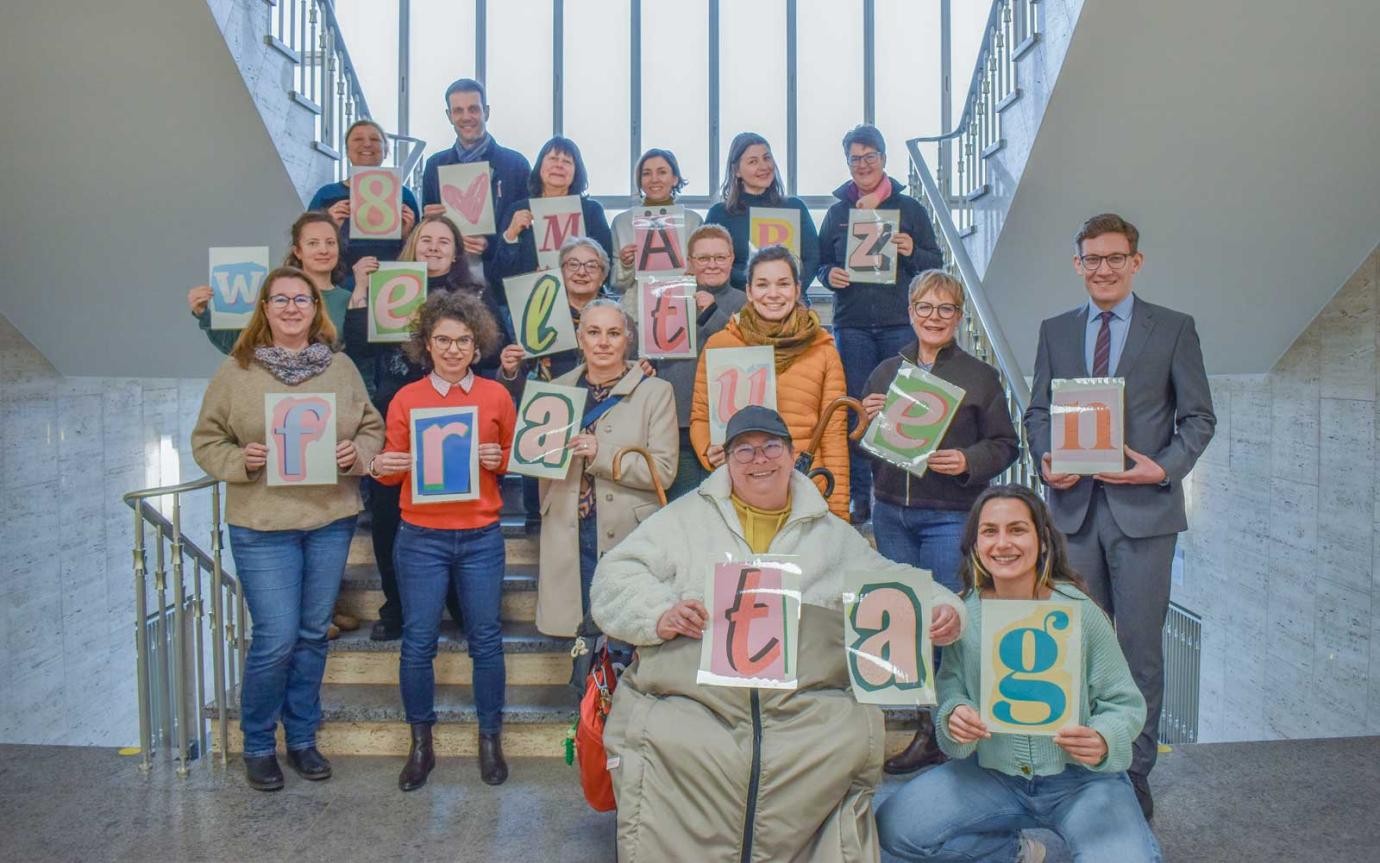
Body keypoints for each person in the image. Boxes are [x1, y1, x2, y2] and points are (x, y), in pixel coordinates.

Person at [591, 405, 967, 861]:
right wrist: (659, 613)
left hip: (802, 708)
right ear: (725, 462)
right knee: (667, 737)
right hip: (696, 698)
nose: (759, 460)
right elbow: (616, 574)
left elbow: (889, 578)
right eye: (743, 450)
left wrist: (943, 609)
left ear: (792, 456)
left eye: (771, 447)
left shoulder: (831, 535)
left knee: (844, 736)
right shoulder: (685, 519)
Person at [1023, 213, 1215, 820]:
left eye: (1114, 258)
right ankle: (1079, 763)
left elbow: (1198, 419)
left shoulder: (1174, 329)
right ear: (1077, 265)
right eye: (1091, 259)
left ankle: (1132, 772)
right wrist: (1045, 457)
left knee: (1137, 652)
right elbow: (1036, 412)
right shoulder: (1055, 330)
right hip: (1073, 514)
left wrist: (1161, 468)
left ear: (1135, 262)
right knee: (1075, 645)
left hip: (1145, 515)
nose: (1102, 269)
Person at [876, 485, 1161, 862]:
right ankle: (1010, 851)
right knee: (892, 829)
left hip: (1081, 779)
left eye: (1017, 529)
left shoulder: (1081, 612)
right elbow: (950, 693)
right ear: (975, 545)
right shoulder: (964, 615)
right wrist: (954, 717)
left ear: (1043, 541)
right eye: (989, 531)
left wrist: (1105, 738)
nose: (1003, 543)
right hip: (992, 773)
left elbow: (1123, 701)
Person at [191, 266, 384, 791]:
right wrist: (240, 459)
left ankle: (302, 738)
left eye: (302, 299)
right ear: (265, 308)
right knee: (276, 638)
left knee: (309, 635)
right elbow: (206, 440)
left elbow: (372, 426)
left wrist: (358, 452)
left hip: (328, 519)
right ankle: (257, 743)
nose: (293, 308)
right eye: (281, 300)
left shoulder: (340, 367)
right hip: (262, 522)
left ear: (315, 308)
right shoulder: (237, 369)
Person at [862, 269, 1021, 774]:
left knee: (946, 623)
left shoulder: (979, 377)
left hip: (949, 516)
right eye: (925, 308)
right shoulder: (886, 371)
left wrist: (968, 461)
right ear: (910, 313)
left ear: (959, 316)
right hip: (890, 511)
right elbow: (867, 446)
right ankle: (924, 723)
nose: (935, 318)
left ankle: (942, 731)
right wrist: (864, 424)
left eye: (946, 309)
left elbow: (1005, 445)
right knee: (905, 620)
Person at [367, 290, 517, 790]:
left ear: (478, 347)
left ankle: (490, 739)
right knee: (417, 644)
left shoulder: (496, 395)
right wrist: (382, 468)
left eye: (464, 341)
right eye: (443, 340)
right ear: (426, 345)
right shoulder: (406, 399)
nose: (453, 349)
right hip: (421, 538)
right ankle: (421, 745)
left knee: (487, 641)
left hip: (480, 536)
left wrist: (500, 461)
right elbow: (390, 469)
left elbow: (514, 459)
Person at [345, 214, 504, 641]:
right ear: (413, 244)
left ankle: (456, 599)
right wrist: (361, 289)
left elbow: (490, 353)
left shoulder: (475, 294)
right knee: (387, 514)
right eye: (426, 239)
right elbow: (358, 343)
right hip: (397, 411)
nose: (434, 247)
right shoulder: (388, 286)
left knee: (454, 508)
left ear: (457, 251)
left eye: (444, 241)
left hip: (456, 417)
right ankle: (396, 604)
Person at [817, 124, 944, 525]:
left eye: (870, 157)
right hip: (852, 325)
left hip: (898, 323)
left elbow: (934, 263)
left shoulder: (910, 210)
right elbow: (820, 263)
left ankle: (900, 490)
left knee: (903, 408)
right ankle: (860, 497)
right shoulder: (838, 213)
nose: (863, 165)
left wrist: (911, 251)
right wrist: (829, 275)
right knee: (858, 411)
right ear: (847, 163)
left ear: (884, 159)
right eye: (855, 159)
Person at [529, 299, 677, 637]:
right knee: (580, 635)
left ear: (628, 339)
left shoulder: (655, 392)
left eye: (613, 333)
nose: (603, 342)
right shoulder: (553, 391)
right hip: (570, 529)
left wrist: (602, 452)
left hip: (628, 530)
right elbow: (538, 465)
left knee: (626, 631)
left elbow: (664, 470)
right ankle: (584, 691)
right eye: (593, 332)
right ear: (580, 338)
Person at [689, 245, 850, 519]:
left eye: (783, 284)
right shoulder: (721, 345)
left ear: (797, 290)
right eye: (763, 284)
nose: (773, 294)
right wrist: (708, 451)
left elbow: (834, 437)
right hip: (739, 491)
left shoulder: (823, 350)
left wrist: (838, 513)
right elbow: (701, 417)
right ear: (749, 291)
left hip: (807, 490)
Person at [499, 237, 614, 532]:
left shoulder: (618, 314)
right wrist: (510, 370)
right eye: (573, 264)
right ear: (560, 271)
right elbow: (515, 383)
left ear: (604, 273)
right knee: (542, 519)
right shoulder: (536, 311)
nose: (582, 271)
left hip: (604, 418)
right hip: (547, 421)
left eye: (591, 265)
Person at [645, 224, 747, 501]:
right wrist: (646, 363)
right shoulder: (666, 298)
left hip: (729, 423)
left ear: (732, 259)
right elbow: (651, 351)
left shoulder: (746, 302)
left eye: (720, 257)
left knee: (727, 505)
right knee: (682, 505)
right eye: (703, 258)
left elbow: (747, 350)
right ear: (690, 262)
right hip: (677, 421)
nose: (712, 265)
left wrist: (712, 310)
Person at [188, 211, 353, 358]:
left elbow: (358, 362)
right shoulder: (272, 295)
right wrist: (204, 314)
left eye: (330, 242)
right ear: (298, 251)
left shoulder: (349, 301)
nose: (323, 250)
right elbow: (237, 345)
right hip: (275, 390)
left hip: (328, 390)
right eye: (313, 243)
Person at [420, 78, 531, 289]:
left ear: (486, 112)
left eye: (473, 109)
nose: (466, 117)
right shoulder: (435, 165)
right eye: (458, 110)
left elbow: (526, 231)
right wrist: (428, 220)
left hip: (502, 284)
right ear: (449, 116)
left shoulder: (516, 165)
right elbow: (426, 231)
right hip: (448, 281)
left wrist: (491, 246)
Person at [494, 136, 614, 294]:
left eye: (567, 162)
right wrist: (510, 235)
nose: (559, 165)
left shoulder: (591, 211)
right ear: (540, 166)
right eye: (553, 158)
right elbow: (498, 275)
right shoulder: (518, 210)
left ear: (576, 172)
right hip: (530, 300)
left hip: (582, 300)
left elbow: (606, 268)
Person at [308, 118, 420, 286]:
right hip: (339, 285)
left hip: (391, 284)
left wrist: (407, 235)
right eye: (358, 139)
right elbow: (305, 244)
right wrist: (329, 228)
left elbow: (419, 252)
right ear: (347, 150)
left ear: (385, 150)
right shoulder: (326, 195)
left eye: (375, 139)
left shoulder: (404, 196)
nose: (367, 144)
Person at [705, 132, 819, 290]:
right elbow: (713, 265)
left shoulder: (795, 207)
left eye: (767, 158)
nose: (764, 166)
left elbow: (812, 259)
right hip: (739, 301)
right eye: (753, 161)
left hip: (792, 300)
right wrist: (756, 289)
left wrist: (789, 291)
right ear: (736, 170)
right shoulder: (719, 214)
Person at [608, 148, 704, 294]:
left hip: (683, 305)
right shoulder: (622, 223)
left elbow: (705, 276)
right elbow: (615, 286)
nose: (654, 179)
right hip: (635, 309)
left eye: (662, 172)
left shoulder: (693, 221)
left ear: (675, 179)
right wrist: (625, 265)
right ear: (639, 181)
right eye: (646, 173)